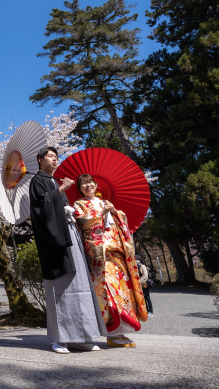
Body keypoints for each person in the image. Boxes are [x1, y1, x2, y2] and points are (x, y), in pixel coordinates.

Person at [29, 146, 106, 354]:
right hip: (55, 243)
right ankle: (60, 339)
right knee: (61, 289)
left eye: (56, 157)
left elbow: (56, 204)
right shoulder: (37, 181)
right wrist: (61, 189)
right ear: (39, 160)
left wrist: (69, 209)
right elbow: (41, 209)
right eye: (50, 157)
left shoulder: (53, 182)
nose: (55, 160)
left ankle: (81, 337)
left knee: (79, 285)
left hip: (69, 235)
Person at [71, 174, 147, 348]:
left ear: (96, 184)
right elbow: (83, 224)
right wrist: (100, 216)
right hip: (99, 256)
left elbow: (122, 222)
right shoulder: (79, 205)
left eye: (90, 182)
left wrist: (114, 212)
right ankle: (112, 333)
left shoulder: (106, 203)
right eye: (83, 184)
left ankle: (118, 333)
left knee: (122, 293)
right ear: (80, 189)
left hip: (116, 254)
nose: (88, 186)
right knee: (107, 293)